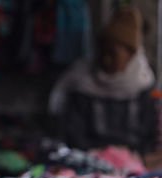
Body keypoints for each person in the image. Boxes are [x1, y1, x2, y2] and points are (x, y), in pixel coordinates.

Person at [48, 6, 158, 154]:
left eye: (113, 54)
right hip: (91, 161)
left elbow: (148, 136)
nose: (106, 59)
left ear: (131, 55)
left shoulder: (143, 86)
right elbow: (74, 135)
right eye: (103, 51)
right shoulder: (82, 84)